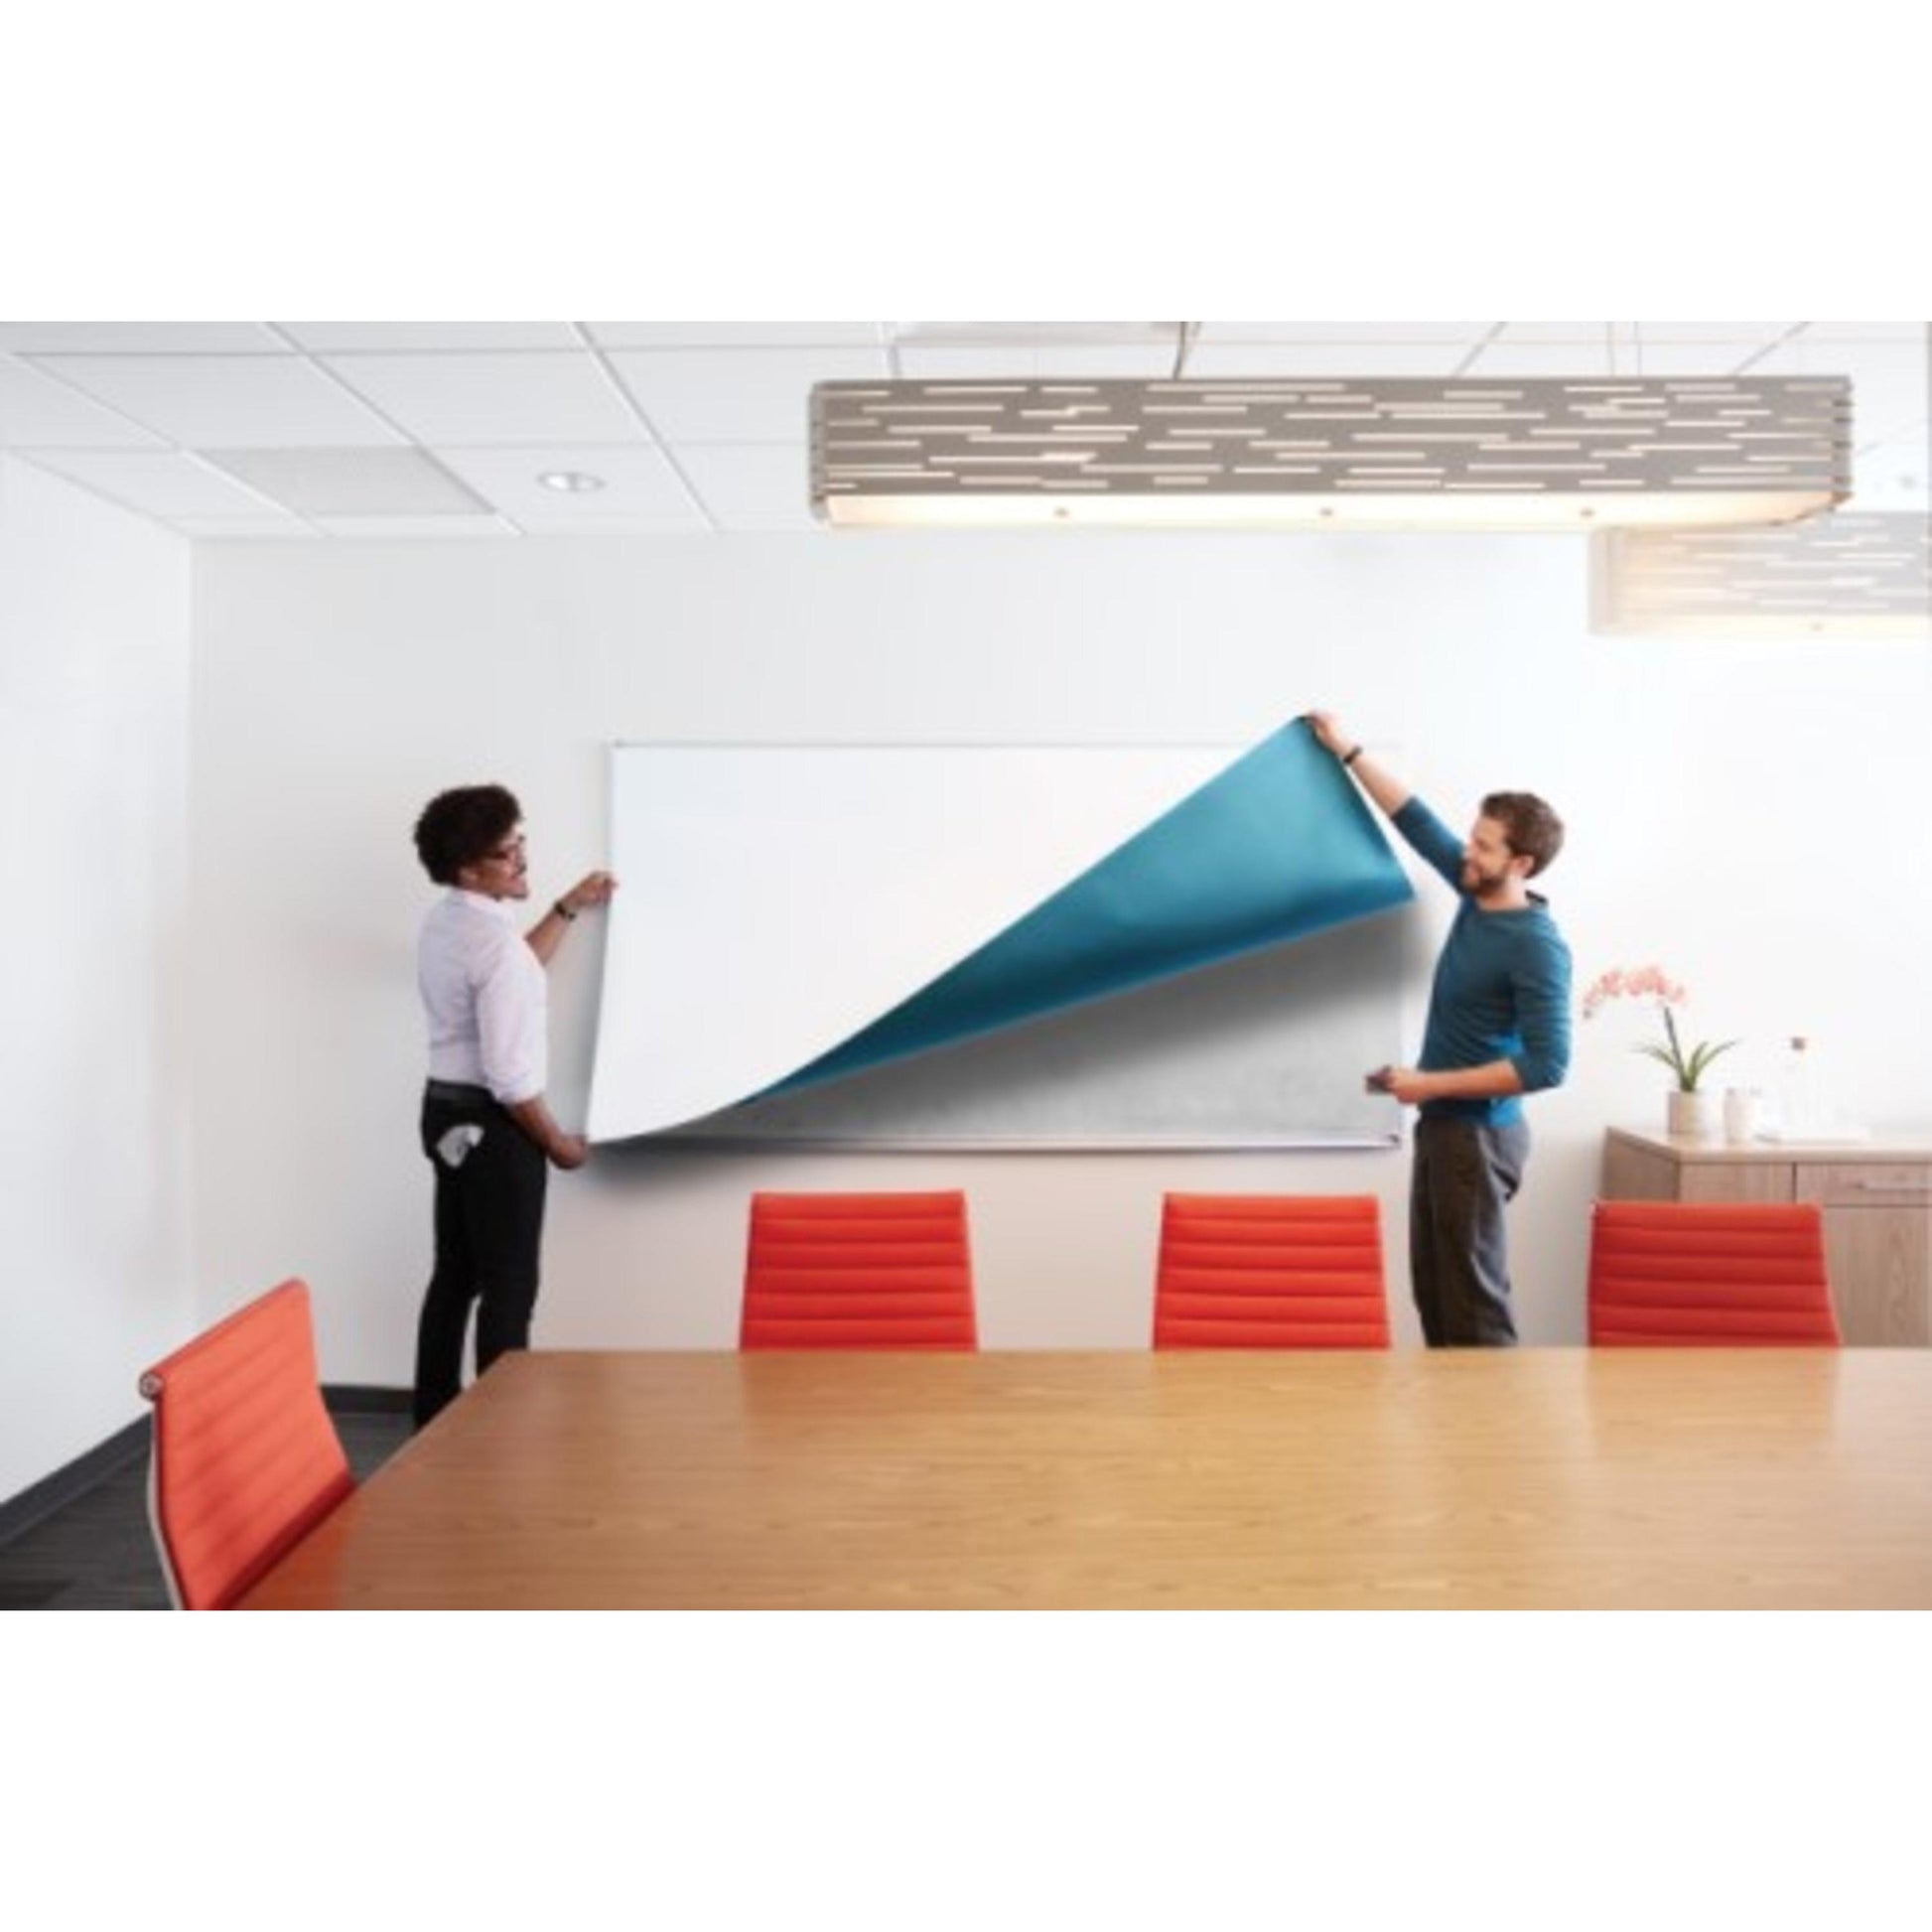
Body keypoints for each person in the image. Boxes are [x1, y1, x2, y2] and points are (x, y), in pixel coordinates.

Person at [1307, 713, 1571, 1346]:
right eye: (1473, 838)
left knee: (1474, 1311)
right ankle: (1453, 1415)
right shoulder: (1476, 891)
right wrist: (1347, 750)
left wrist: (1430, 1085)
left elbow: (1548, 1064)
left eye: (1484, 846)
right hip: (1445, 1129)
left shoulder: (1537, 945)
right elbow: (1415, 819)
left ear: (1522, 862)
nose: (1466, 852)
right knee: (1436, 1293)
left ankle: (1487, 1418)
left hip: (1477, 1140)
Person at [409, 784, 617, 1427]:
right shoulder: (495, 948)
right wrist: (557, 1144)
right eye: (506, 854)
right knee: (509, 1286)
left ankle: (433, 1424)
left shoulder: (449, 922)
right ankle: (498, 1440)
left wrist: (567, 908)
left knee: (455, 1275)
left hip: (444, 1113)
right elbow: (509, 1078)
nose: (522, 858)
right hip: (494, 1126)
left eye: (519, 842)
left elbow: (517, 966)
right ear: (469, 870)